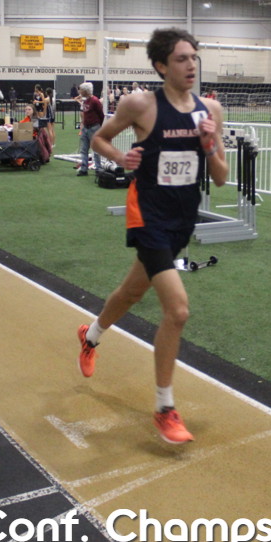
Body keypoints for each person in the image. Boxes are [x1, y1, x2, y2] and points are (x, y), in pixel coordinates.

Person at [79, 27, 228, 444]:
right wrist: (120, 156)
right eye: (181, 58)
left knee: (131, 292)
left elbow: (220, 177)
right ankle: (165, 408)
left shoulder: (210, 110)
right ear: (161, 66)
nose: (191, 65)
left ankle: (90, 336)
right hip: (146, 215)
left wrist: (210, 145)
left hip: (182, 219)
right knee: (177, 311)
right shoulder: (140, 104)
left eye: (194, 57)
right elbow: (100, 138)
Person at [76, 82, 104, 176]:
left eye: (81, 90)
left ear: (86, 91)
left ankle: (98, 168)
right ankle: (84, 169)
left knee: (96, 150)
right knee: (84, 149)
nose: (80, 92)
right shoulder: (85, 100)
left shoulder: (95, 100)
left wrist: (98, 126)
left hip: (94, 127)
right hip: (86, 127)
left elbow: (101, 114)